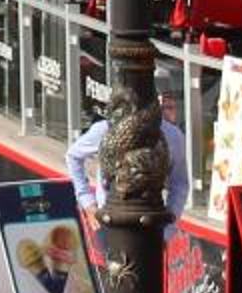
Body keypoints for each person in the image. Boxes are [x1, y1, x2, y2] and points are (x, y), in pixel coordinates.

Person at [65, 92, 191, 221]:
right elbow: (73, 156)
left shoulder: (172, 135)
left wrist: (171, 220)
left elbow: (179, 182)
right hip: (110, 218)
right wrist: (88, 202)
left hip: (152, 219)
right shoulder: (105, 129)